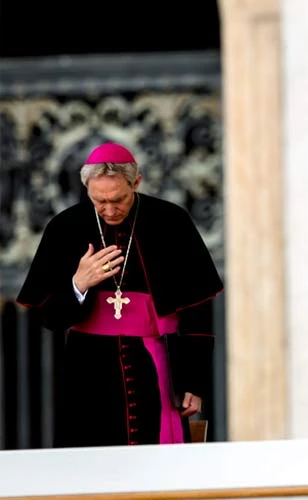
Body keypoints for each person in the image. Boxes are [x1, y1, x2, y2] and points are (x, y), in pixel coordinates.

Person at [16, 142, 223, 447]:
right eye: (99, 200)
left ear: (135, 182)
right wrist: (79, 283)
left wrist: (194, 381)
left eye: (118, 199)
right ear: (86, 188)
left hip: (155, 367)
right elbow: (48, 317)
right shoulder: (65, 227)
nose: (110, 210)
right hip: (87, 370)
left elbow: (198, 308)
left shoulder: (171, 222)